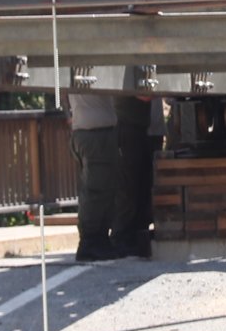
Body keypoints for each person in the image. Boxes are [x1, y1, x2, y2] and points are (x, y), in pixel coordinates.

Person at [66, 92, 123, 262]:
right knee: (96, 191)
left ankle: (99, 240)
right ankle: (89, 242)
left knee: (103, 189)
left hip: (87, 129)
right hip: (95, 132)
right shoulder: (88, 70)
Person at [111, 95, 158, 259]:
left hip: (138, 126)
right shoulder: (124, 76)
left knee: (141, 183)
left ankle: (135, 236)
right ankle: (121, 237)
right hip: (126, 126)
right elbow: (145, 96)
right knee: (127, 185)